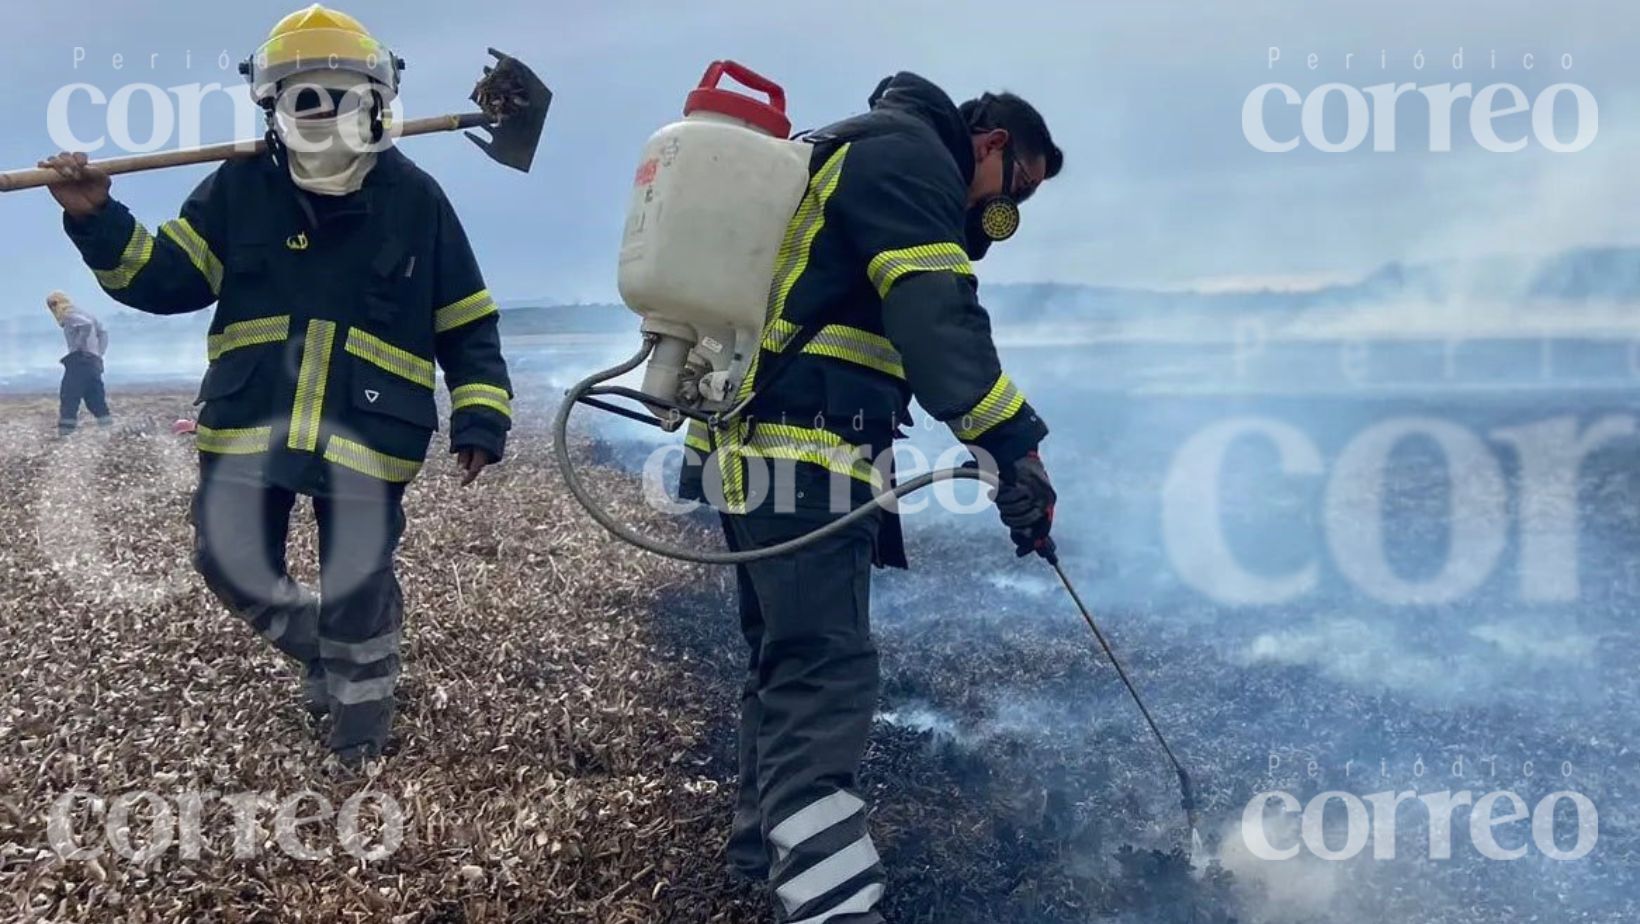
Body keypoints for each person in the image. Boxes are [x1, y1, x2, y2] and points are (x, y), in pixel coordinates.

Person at [39, 4, 514, 765]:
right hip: (250, 418)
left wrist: (481, 418)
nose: (320, 111)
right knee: (226, 559)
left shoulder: (415, 198)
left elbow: (465, 321)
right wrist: (97, 218)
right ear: (272, 104)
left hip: (371, 432)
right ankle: (327, 650)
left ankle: (361, 731)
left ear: (377, 98)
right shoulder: (237, 187)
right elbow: (165, 278)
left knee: (358, 580)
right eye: (302, 94)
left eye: (338, 93)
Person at [679, 73, 1062, 922]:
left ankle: (759, 855)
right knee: (826, 670)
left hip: (756, 452)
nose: (1007, 217)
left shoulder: (856, 144)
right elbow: (938, 321)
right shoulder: (913, 160)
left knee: (785, 657)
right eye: (1015, 190)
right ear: (989, 145)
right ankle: (832, 907)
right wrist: (1016, 446)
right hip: (801, 452)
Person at [45, 290, 112, 436]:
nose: (53, 308)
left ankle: (65, 434)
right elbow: (103, 333)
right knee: (94, 397)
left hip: (79, 361)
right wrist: (98, 353)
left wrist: (79, 347)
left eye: (53, 304)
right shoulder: (86, 313)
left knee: (69, 396)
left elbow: (86, 326)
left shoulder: (69, 314)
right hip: (93, 363)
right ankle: (107, 429)